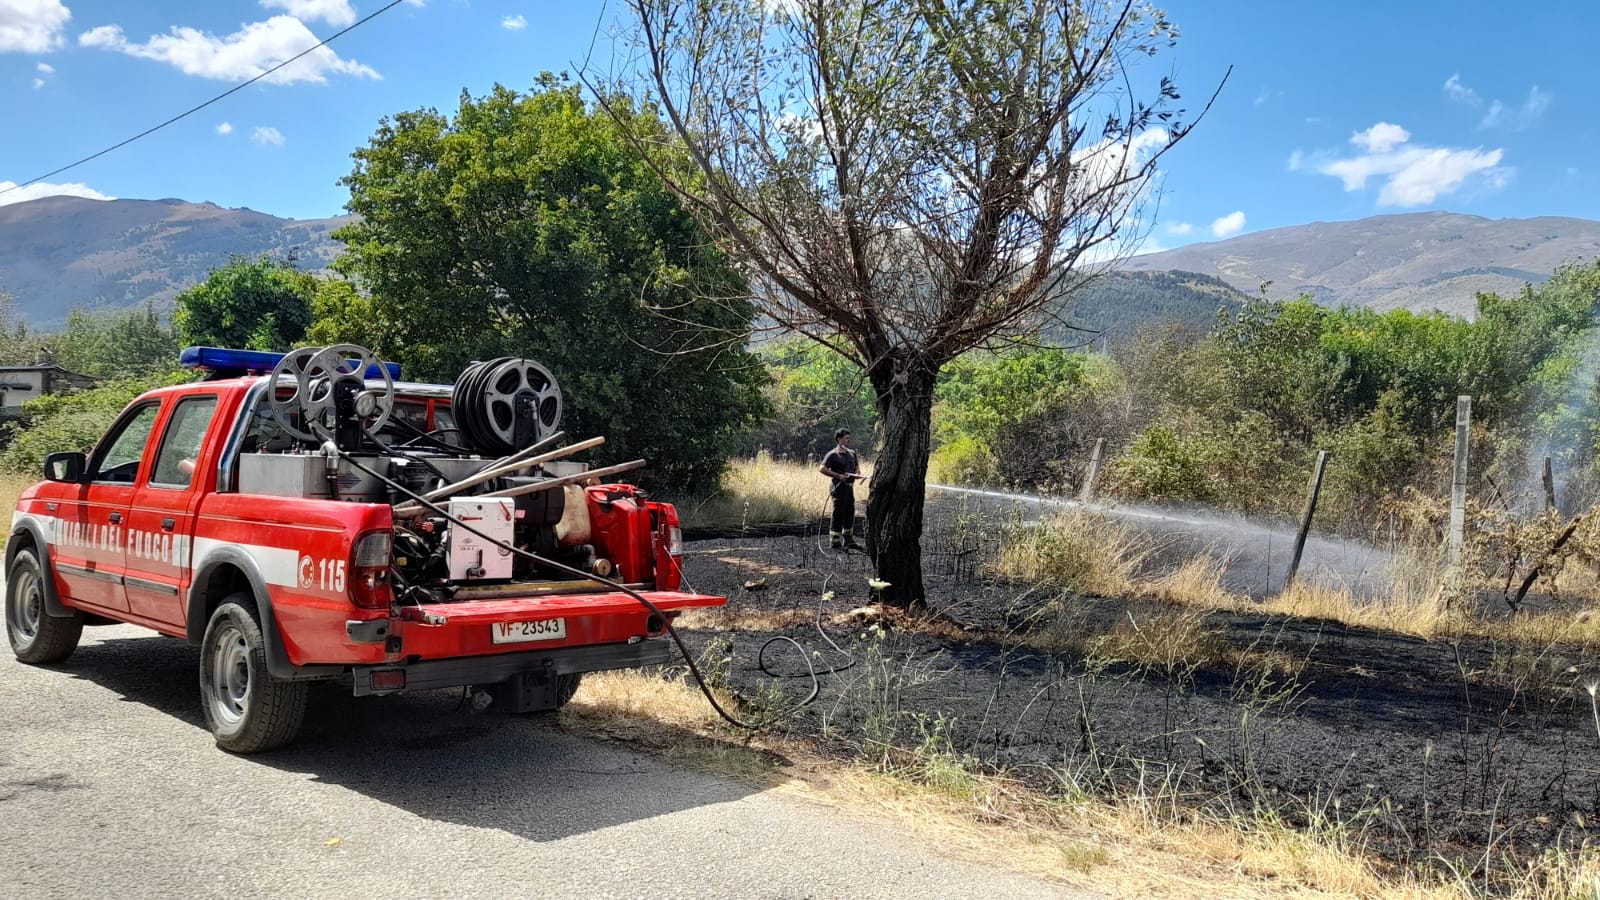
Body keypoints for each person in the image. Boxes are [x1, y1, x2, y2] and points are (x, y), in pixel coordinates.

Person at [819, 428, 863, 550]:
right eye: (846, 438)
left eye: (849, 438)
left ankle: (848, 539)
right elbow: (822, 468)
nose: (848, 441)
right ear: (839, 439)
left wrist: (858, 473)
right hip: (838, 488)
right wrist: (838, 476)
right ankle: (835, 541)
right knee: (838, 513)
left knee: (850, 513)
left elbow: (857, 467)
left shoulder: (852, 453)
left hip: (849, 488)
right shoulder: (832, 454)